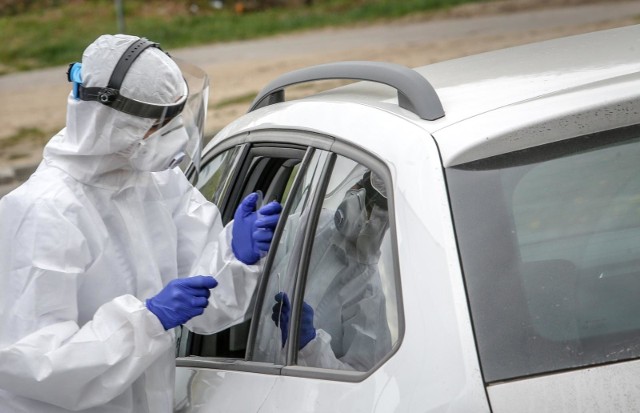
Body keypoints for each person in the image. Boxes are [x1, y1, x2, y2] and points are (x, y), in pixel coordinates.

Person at [0, 34, 281, 413]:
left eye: (174, 119)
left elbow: (208, 308)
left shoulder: (155, 181)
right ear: (107, 120)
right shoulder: (43, 212)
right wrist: (148, 320)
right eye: (157, 125)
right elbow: (35, 364)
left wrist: (235, 257)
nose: (174, 136)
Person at [268, 170, 392, 371]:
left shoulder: (369, 293)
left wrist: (309, 346)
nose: (371, 218)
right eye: (370, 202)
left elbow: (361, 383)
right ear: (354, 191)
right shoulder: (309, 227)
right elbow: (259, 265)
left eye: (382, 213)